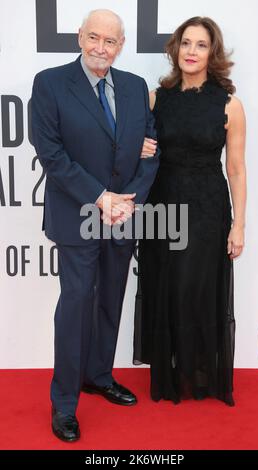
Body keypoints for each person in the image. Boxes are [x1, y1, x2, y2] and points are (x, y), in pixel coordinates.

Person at [31, 9, 159, 442]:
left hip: (122, 215)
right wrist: (100, 198)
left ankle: (99, 375)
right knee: (77, 304)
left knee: (110, 300)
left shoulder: (135, 87)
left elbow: (151, 149)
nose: (101, 48)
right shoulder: (50, 83)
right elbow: (51, 154)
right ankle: (64, 401)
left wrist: (130, 202)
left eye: (111, 41)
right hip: (79, 214)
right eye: (94, 37)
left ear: (121, 45)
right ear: (80, 37)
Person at [134, 16, 246, 406]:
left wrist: (239, 225)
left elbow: (235, 169)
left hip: (206, 208)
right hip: (161, 203)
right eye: (186, 43)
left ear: (212, 53)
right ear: (175, 49)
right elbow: (137, 150)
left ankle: (198, 374)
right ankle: (167, 377)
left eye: (200, 45)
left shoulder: (229, 104)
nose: (191, 52)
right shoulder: (155, 98)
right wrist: (141, 149)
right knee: (164, 284)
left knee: (195, 288)